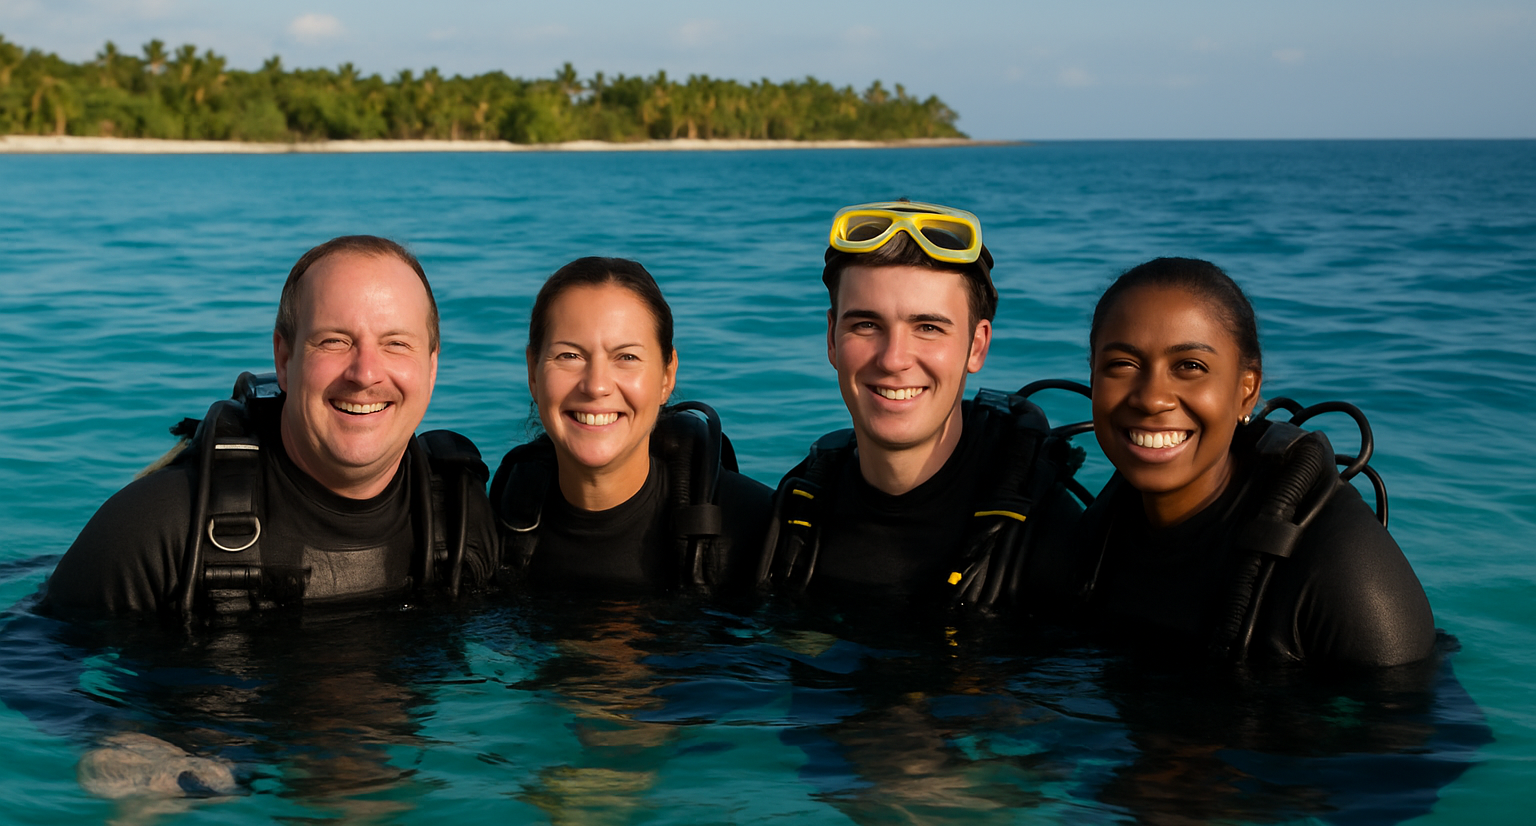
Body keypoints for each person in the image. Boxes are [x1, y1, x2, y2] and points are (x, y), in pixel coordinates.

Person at [44, 235, 499, 621]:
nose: (365, 374)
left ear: (432, 367)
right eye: (334, 341)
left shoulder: (461, 521)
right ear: (284, 360)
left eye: (396, 344)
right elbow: (36, 672)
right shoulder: (160, 527)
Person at [1075, 256, 1437, 667]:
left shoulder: (1341, 566)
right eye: (1122, 364)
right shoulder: (1098, 534)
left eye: (1190, 366)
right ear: (1093, 377)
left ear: (1247, 391)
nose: (1151, 398)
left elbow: (1424, 727)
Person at [757, 200, 1084, 617]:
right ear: (832, 339)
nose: (894, 359)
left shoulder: (1050, 534)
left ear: (977, 345)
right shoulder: (796, 512)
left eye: (928, 328)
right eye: (866, 325)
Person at [489, 256, 771, 596]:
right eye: (570, 356)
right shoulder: (493, 529)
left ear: (667, 375)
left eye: (627, 357)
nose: (596, 386)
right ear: (533, 371)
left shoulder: (755, 528)